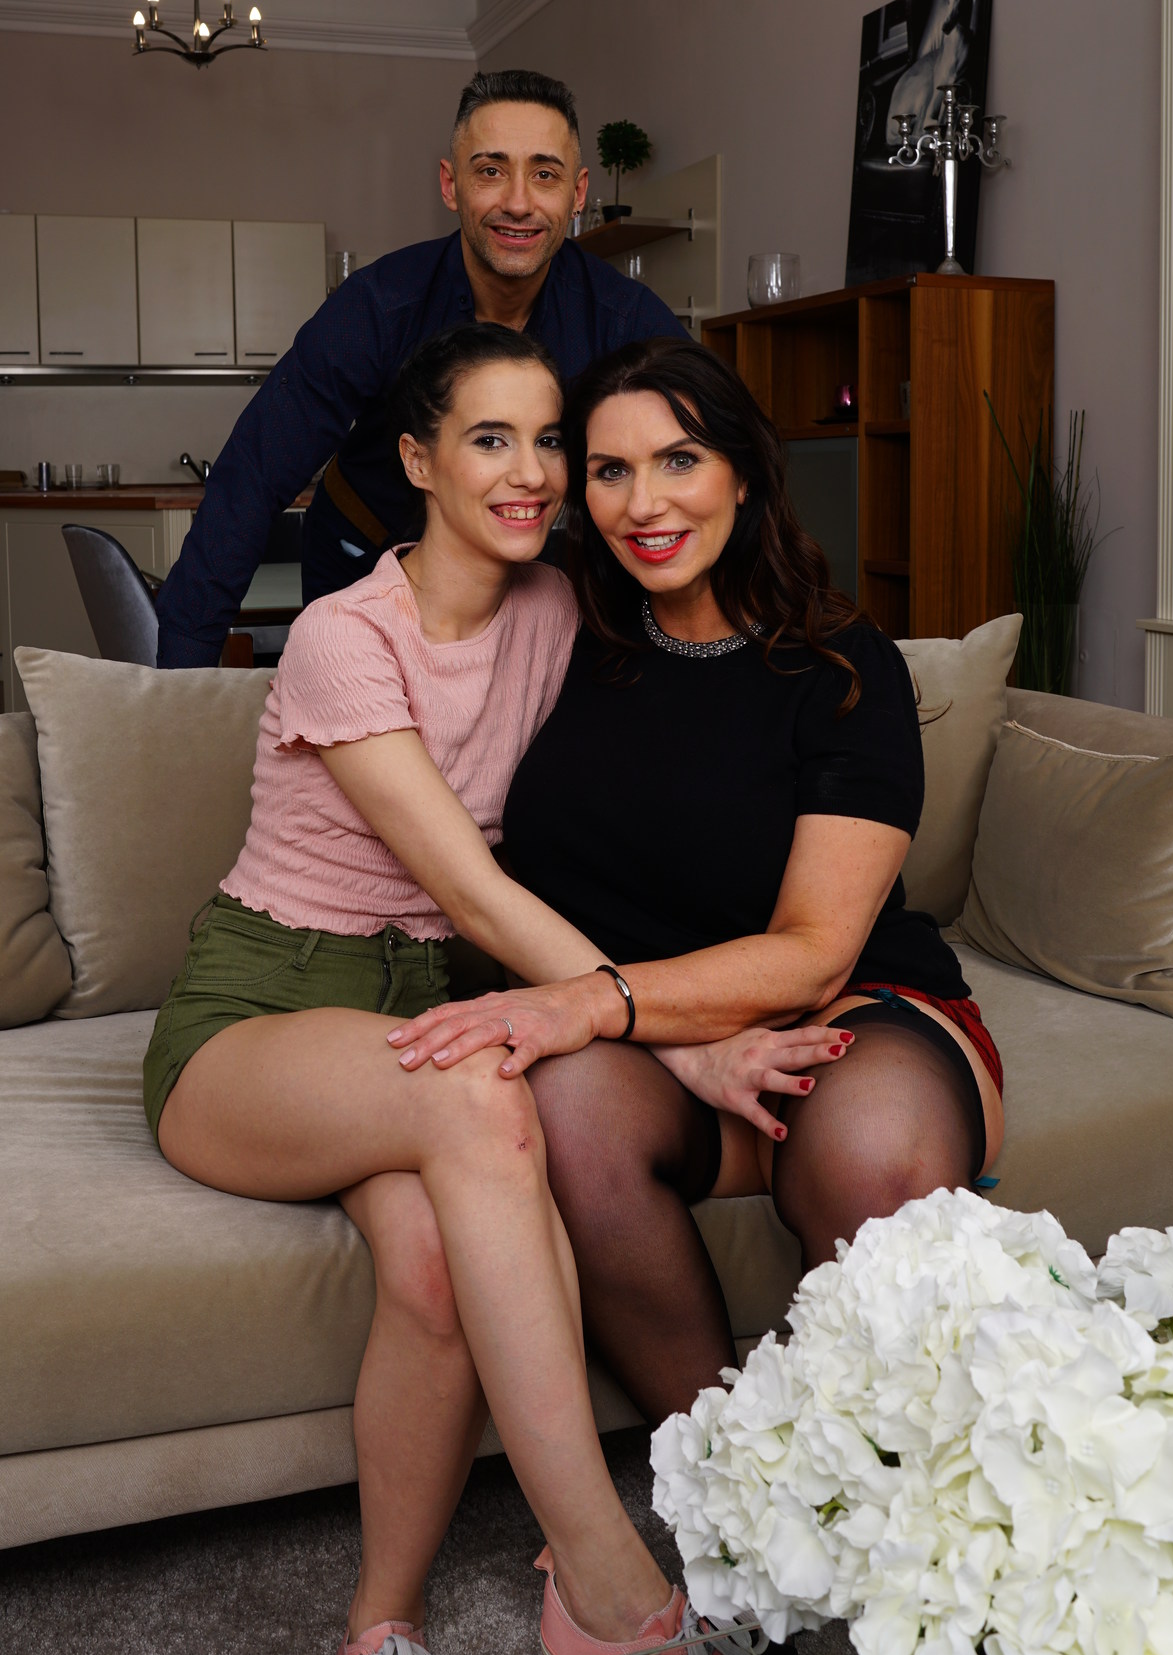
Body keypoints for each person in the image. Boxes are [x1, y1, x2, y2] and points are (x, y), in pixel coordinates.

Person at [143, 322, 869, 1655]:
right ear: (416, 461)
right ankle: (609, 1591)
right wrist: (680, 1040)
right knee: (485, 1094)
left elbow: (701, 689)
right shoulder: (346, 632)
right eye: (490, 439)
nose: (533, 472)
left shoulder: (561, 606)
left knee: (430, 1265)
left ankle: (381, 1638)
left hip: (429, 1009)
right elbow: (472, 890)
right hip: (262, 1008)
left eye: (550, 440)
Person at [383, 334, 1005, 1430]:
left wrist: (590, 1000)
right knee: (563, 1113)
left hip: (845, 1008)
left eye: (680, 460)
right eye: (609, 470)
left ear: (744, 473)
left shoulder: (841, 664)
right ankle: (725, 1465)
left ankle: (887, 1475)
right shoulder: (560, 633)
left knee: (875, 1145)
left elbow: (813, 950)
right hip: (644, 1054)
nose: (644, 504)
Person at [154, 67, 685, 666]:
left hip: (531, 578)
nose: (518, 203)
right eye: (490, 171)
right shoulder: (377, 306)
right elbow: (253, 476)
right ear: (450, 185)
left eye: (544, 174)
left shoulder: (622, 318)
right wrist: (181, 674)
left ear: (578, 193)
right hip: (364, 553)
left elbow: (712, 456)